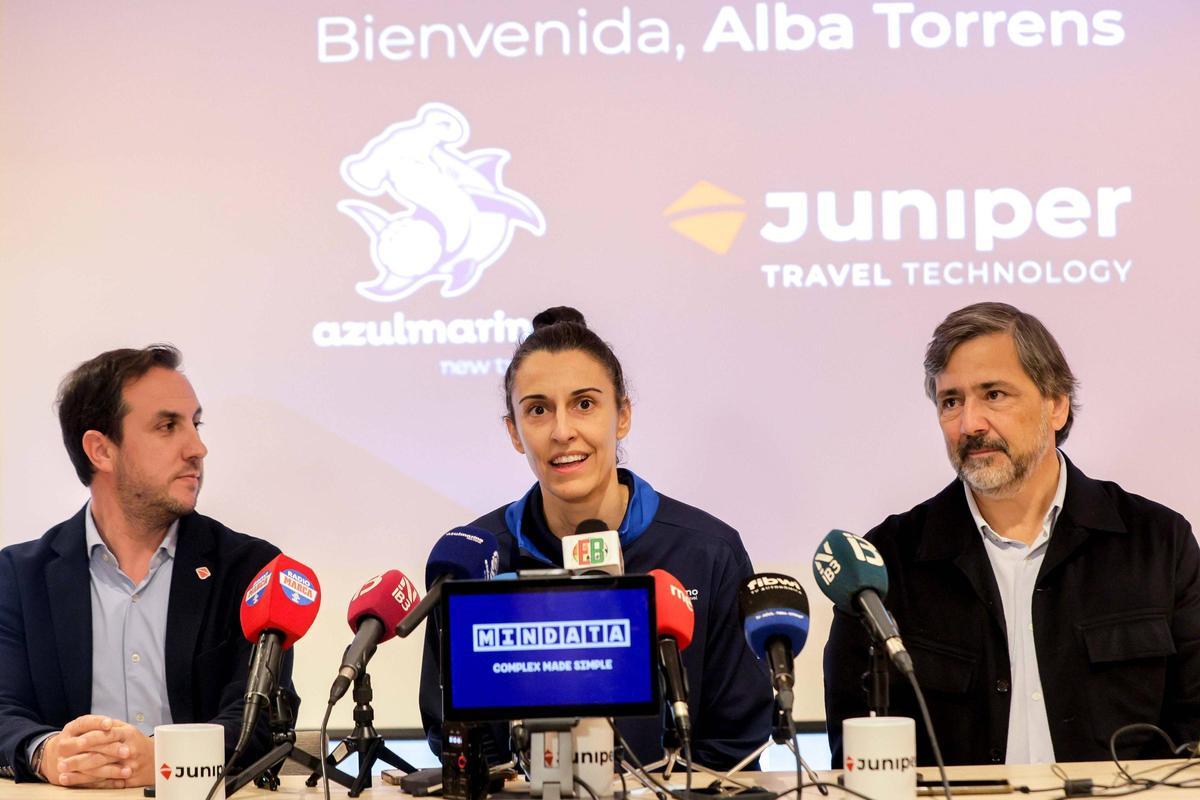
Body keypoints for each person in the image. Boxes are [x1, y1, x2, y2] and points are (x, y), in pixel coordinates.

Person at [824, 302, 1200, 766]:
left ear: (1056, 404)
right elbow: (856, 747)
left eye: (994, 394)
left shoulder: (1157, 543)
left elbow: (1193, 724)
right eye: (951, 401)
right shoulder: (886, 561)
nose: (970, 424)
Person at [419, 306, 772, 770]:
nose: (563, 432)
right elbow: (453, 734)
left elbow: (735, 744)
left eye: (584, 404)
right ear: (515, 432)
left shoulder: (707, 552)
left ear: (621, 416)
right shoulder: (474, 557)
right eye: (539, 410)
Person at [0, 345, 294, 787]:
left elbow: (265, 718)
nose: (198, 448)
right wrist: (46, 752)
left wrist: (163, 758)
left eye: (194, 423)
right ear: (101, 450)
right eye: (167, 426)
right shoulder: (19, 576)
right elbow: (3, 708)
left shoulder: (251, 569)